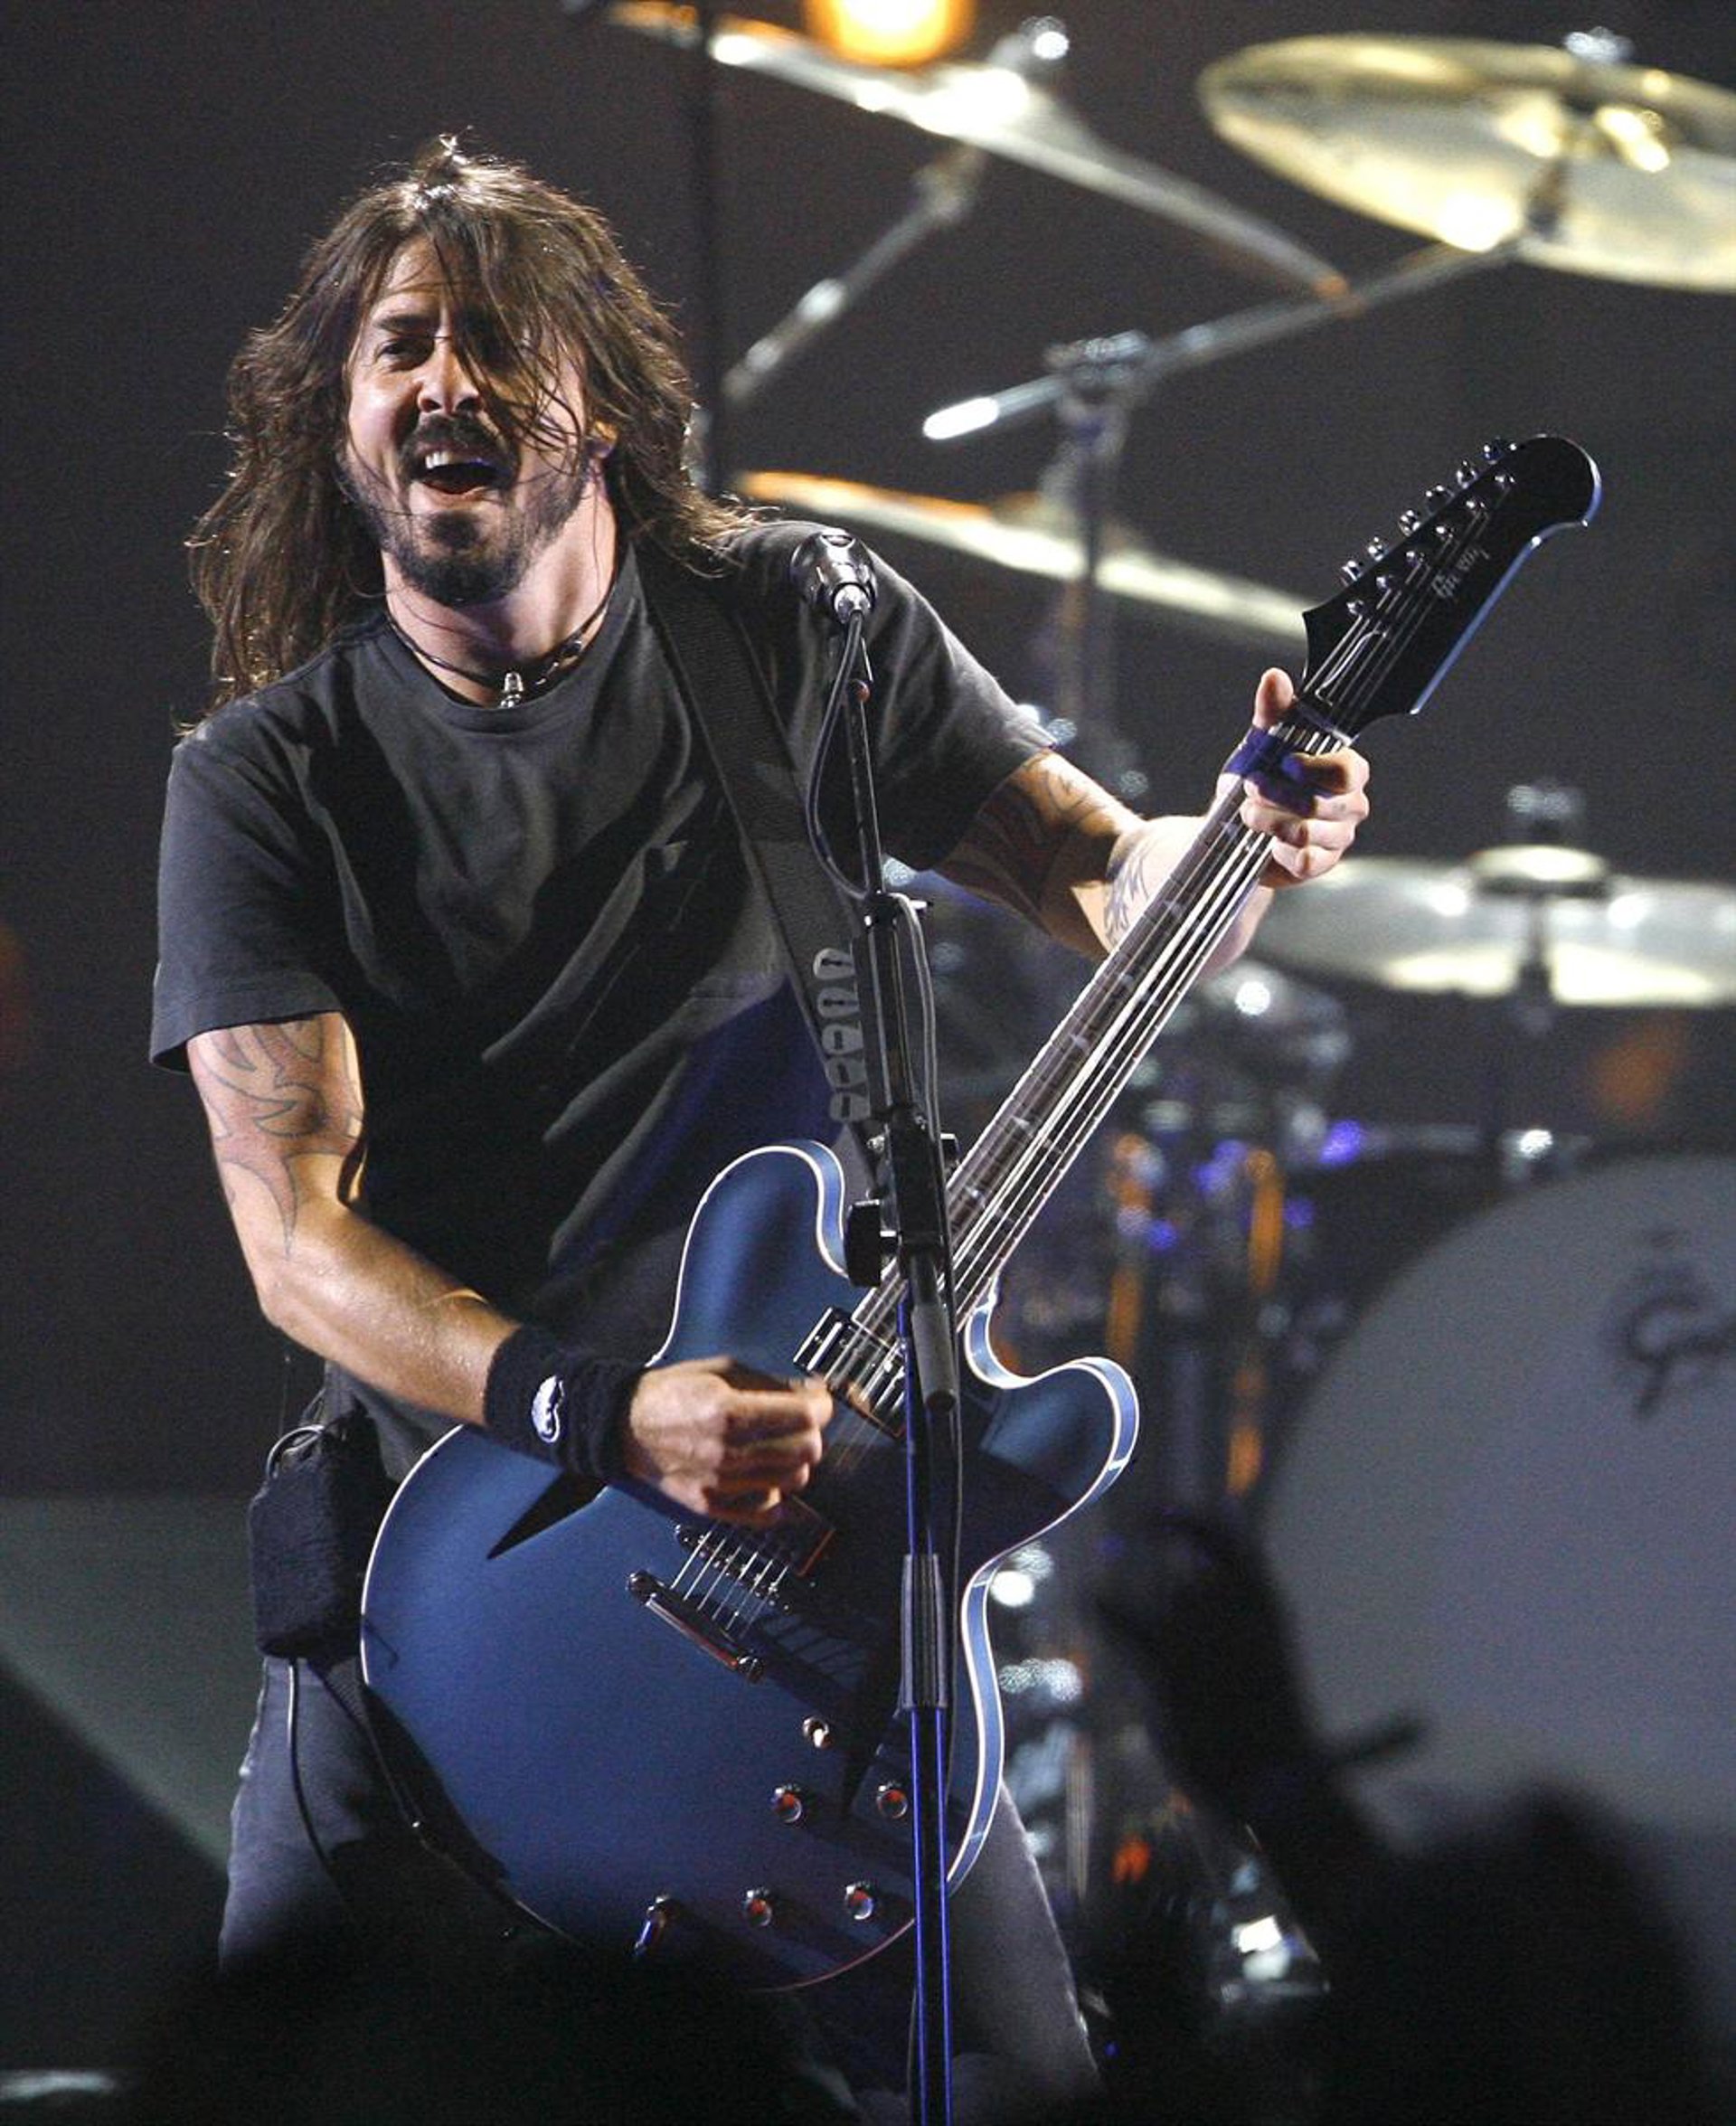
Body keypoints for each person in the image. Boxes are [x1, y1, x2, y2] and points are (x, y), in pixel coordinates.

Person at [151, 137, 1369, 2120]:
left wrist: (1231, 842)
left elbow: (1101, 882)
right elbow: (295, 1235)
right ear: (341, 416)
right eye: (400, 347)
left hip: (815, 1581)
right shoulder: (268, 779)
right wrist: (605, 1415)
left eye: (494, 340)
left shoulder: (800, 627)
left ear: (602, 402)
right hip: (458, 1584)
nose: (444, 380)